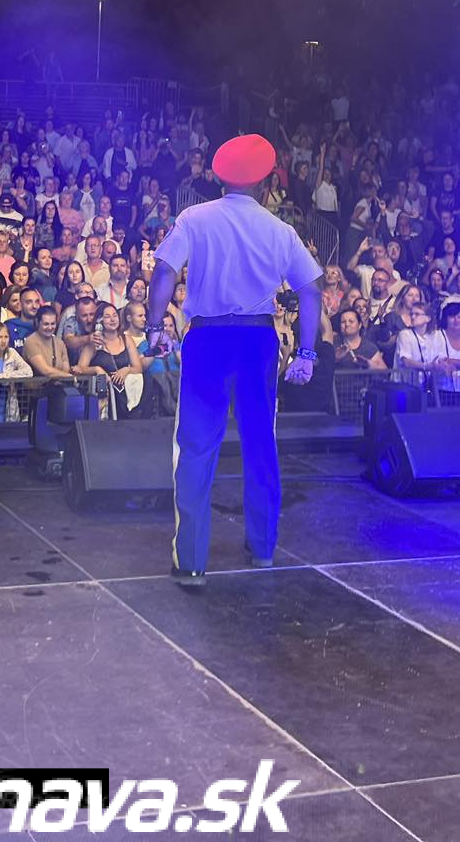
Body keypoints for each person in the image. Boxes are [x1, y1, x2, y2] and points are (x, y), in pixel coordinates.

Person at [143, 133, 319, 589]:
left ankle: (191, 561)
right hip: (257, 342)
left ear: (220, 177)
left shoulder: (194, 218)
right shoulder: (279, 229)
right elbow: (311, 290)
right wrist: (306, 352)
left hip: (208, 340)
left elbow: (164, 271)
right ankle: (262, 549)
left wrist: (155, 327)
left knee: (197, 447)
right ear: (264, 182)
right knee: (261, 443)